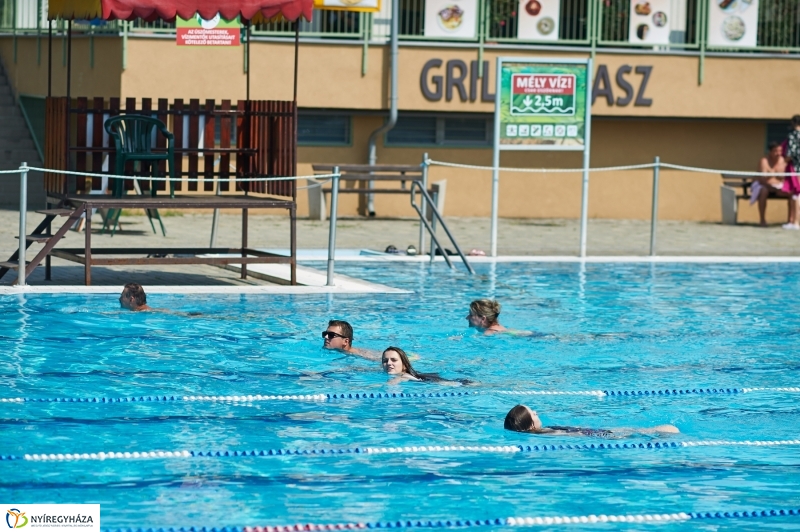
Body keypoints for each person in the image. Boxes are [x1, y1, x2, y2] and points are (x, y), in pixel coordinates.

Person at [503, 405, 679, 437]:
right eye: (533, 414)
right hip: (597, 436)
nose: (536, 412)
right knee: (651, 431)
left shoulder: (544, 431)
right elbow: (573, 435)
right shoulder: (548, 434)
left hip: (594, 433)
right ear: (531, 424)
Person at [381, 346, 471, 385]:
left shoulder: (403, 376)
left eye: (394, 360)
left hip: (450, 383)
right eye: (385, 361)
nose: (388, 363)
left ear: (404, 365)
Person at [752, 141, 792, 228]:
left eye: (780, 151)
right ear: (770, 152)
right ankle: (762, 220)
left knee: (791, 193)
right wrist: (772, 188)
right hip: (762, 184)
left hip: (778, 186)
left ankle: (790, 221)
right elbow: (762, 179)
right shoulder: (764, 161)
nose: (778, 153)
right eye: (775, 151)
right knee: (763, 191)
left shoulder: (783, 161)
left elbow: (785, 178)